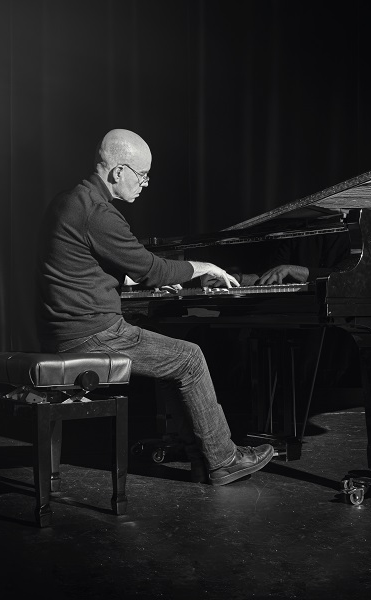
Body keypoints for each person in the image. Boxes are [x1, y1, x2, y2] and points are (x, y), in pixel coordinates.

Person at [35, 128, 274, 486]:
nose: (146, 184)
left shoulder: (67, 201)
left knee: (175, 362)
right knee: (190, 358)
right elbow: (153, 269)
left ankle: (201, 459)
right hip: (91, 335)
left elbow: (82, 268)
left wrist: (141, 279)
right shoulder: (98, 213)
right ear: (118, 171)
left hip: (64, 330)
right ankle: (224, 460)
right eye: (143, 175)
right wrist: (203, 267)